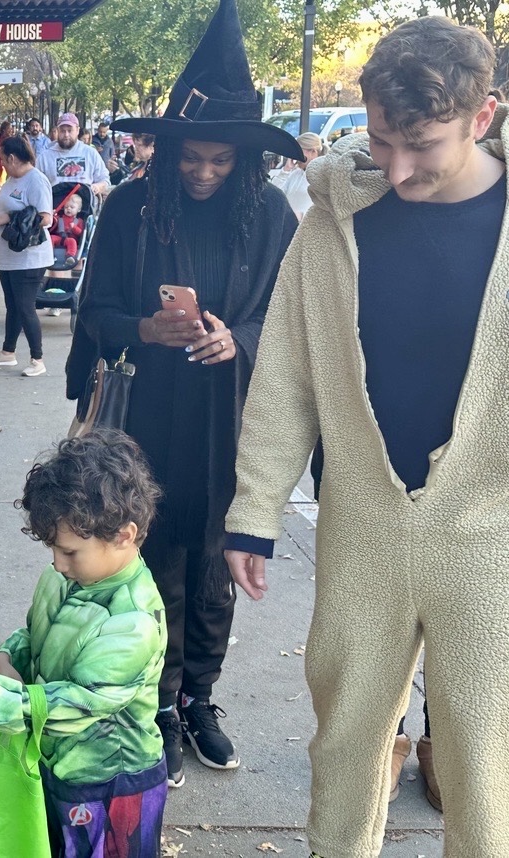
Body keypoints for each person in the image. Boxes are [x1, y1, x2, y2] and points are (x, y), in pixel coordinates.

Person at [223, 16, 509, 856]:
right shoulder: (330, 224)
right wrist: (255, 511)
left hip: (492, 537)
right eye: (382, 141)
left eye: (421, 143)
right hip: (361, 527)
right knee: (345, 747)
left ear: (481, 117)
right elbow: (284, 376)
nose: (397, 167)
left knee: (484, 764)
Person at [73, 0, 301, 789]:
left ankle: (200, 695)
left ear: (246, 161)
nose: (203, 171)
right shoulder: (131, 210)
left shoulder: (270, 215)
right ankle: (159, 703)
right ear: (167, 150)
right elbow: (93, 316)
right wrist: (143, 326)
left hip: (231, 414)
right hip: (145, 414)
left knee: (214, 558)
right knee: (152, 552)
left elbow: (291, 314)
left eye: (220, 160)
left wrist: (236, 337)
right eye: (191, 158)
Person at [0, 429, 168, 857]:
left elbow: (74, 706)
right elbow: (36, 634)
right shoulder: (66, 578)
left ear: (125, 535)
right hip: (56, 765)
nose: (57, 564)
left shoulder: (133, 622)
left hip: (110, 784)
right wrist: (9, 656)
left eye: (70, 552)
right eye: (53, 549)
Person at [0, 135, 54, 378]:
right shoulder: (12, 180)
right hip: (8, 256)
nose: (2, 164)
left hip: (29, 257)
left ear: (14, 158)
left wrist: (10, 219)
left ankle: (38, 358)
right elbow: (2, 207)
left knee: (26, 308)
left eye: (3, 160)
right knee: (12, 306)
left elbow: (46, 218)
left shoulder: (36, 181)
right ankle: (8, 352)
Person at [37, 113, 111, 197]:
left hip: (84, 206)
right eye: (62, 131)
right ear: (57, 131)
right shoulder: (45, 157)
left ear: (77, 130)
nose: (66, 135)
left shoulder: (91, 153)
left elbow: (105, 180)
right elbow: (36, 185)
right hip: (54, 207)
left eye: (70, 130)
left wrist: (97, 187)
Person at [273, 131, 327, 220]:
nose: (296, 155)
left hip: (306, 227)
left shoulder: (322, 176)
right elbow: (275, 194)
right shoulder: (295, 172)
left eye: (300, 152)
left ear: (313, 151)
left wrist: (300, 216)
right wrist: (285, 171)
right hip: (288, 226)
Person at [49, 192, 85, 265]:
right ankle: (50, 255)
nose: (68, 209)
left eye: (72, 207)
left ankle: (70, 256)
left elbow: (80, 233)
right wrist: (52, 216)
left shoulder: (79, 221)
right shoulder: (60, 218)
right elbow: (53, 224)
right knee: (51, 238)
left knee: (72, 241)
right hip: (59, 237)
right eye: (66, 207)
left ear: (78, 209)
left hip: (69, 239)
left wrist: (74, 228)